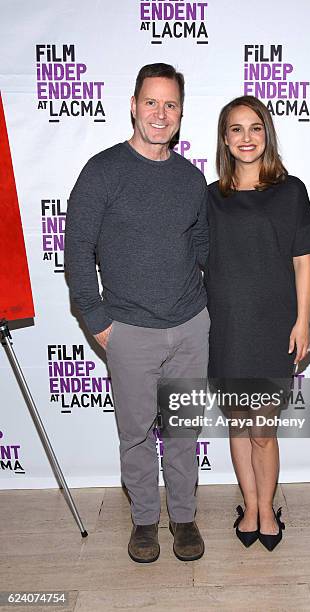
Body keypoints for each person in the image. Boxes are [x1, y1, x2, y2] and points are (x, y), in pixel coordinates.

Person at [64, 63, 210, 563]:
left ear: (180, 113)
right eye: (151, 102)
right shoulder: (102, 171)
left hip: (191, 326)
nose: (160, 113)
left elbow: (204, 249)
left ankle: (184, 519)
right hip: (128, 331)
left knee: (184, 430)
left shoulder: (192, 179)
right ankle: (145, 522)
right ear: (133, 104)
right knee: (135, 436)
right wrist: (99, 322)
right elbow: (78, 251)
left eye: (170, 104)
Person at [205, 95, 310, 551]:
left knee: (263, 430)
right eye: (236, 129)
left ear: (266, 134)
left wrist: (303, 323)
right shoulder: (211, 198)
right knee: (238, 424)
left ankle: (268, 508)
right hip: (227, 328)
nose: (246, 138)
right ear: (225, 138)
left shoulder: (291, 191)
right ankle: (250, 508)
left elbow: (302, 264)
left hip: (274, 326)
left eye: (255, 128)